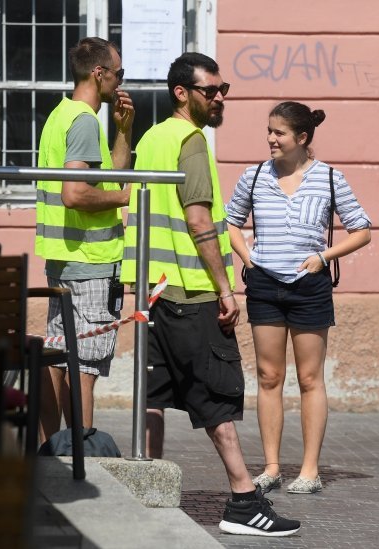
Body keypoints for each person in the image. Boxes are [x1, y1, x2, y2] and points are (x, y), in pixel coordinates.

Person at [120, 52, 300, 537]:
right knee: (216, 397)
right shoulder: (190, 140)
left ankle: (147, 489)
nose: (219, 98)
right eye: (211, 90)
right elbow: (200, 221)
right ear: (183, 93)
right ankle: (243, 500)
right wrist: (226, 289)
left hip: (152, 290)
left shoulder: (153, 137)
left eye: (223, 90)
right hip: (190, 289)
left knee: (152, 394)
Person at [226, 101, 371, 494]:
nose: (270, 138)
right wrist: (247, 258)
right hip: (264, 286)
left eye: (279, 133)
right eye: (269, 131)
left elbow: (362, 230)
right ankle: (271, 467)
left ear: (302, 138)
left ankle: (310, 470)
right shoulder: (254, 176)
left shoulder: (329, 179)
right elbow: (231, 222)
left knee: (310, 378)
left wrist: (323, 257)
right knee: (269, 376)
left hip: (310, 288)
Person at [35, 37, 133, 443]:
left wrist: (124, 132)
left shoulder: (63, 114)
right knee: (84, 367)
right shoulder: (84, 121)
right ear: (100, 73)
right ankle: (83, 463)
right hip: (90, 261)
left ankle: (47, 458)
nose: (120, 81)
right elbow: (75, 193)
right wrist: (125, 197)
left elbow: (106, 175)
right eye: (119, 74)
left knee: (57, 361)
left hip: (63, 258)